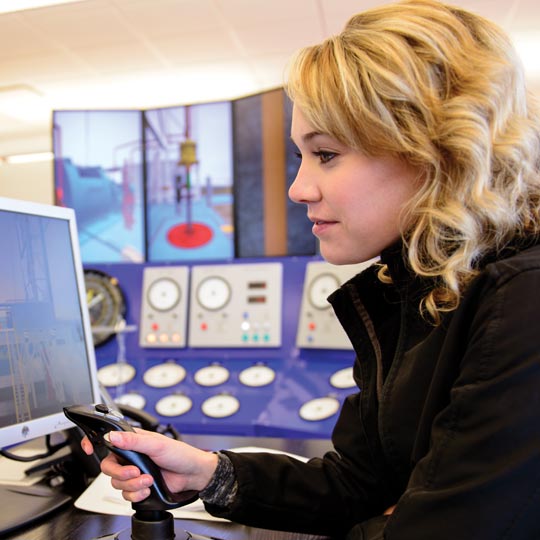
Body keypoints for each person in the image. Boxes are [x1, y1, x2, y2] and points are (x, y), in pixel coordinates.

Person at [82, 0, 540, 538]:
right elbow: (360, 483)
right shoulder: (423, 288)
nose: (300, 188)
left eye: (326, 154)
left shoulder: (521, 300)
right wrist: (211, 474)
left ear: (432, 151)